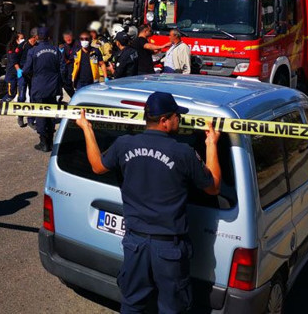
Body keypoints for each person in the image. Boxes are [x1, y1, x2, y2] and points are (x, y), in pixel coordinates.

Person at [76, 92, 221, 314]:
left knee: (132, 304)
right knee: (173, 308)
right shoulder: (183, 152)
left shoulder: (123, 144)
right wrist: (211, 143)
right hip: (169, 250)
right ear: (164, 121)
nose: (179, 120)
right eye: (176, 116)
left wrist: (87, 128)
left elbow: (97, 166)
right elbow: (214, 187)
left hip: (135, 244)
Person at [23, 26, 62, 152]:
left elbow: (26, 70)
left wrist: (33, 78)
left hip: (38, 87)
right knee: (51, 113)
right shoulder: (56, 50)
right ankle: (50, 142)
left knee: (40, 113)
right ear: (49, 37)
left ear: (38, 37)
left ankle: (43, 143)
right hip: (53, 88)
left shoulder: (33, 51)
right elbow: (63, 69)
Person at [16, 29, 37, 103]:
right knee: (21, 96)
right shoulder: (23, 45)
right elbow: (15, 60)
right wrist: (18, 70)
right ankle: (20, 113)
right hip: (23, 73)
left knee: (33, 96)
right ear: (35, 36)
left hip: (33, 74)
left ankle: (32, 113)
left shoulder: (38, 46)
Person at [3, 32, 23, 104]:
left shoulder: (21, 47)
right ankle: (2, 104)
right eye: (21, 38)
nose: (22, 40)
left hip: (19, 72)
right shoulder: (11, 47)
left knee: (20, 93)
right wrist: (18, 69)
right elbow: (12, 59)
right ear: (16, 39)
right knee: (11, 93)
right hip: (11, 73)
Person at [58, 30, 77, 98]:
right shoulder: (63, 46)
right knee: (66, 85)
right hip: (66, 70)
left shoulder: (77, 45)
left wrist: (66, 61)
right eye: (66, 37)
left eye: (69, 37)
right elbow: (61, 59)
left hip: (75, 68)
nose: (68, 39)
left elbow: (74, 58)